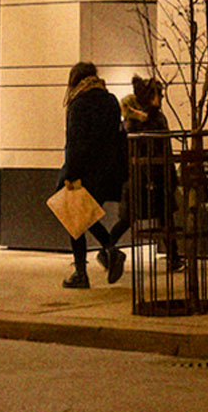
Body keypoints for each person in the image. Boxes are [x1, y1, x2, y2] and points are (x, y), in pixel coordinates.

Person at [59, 60, 130, 289]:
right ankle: (109, 250)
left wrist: (71, 173)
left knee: (75, 219)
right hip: (109, 171)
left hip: (86, 170)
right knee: (85, 217)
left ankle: (82, 272)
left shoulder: (79, 103)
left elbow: (75, 143)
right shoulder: (110, 100)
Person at [122, 75, 177, 271]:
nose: (161, 98)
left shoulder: (140, 119)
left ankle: (174, 256)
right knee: (157, 216)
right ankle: (109, 247)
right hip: (151, 177)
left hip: (150, 176)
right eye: (158, 94)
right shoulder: (150, 119)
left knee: (160, 217)